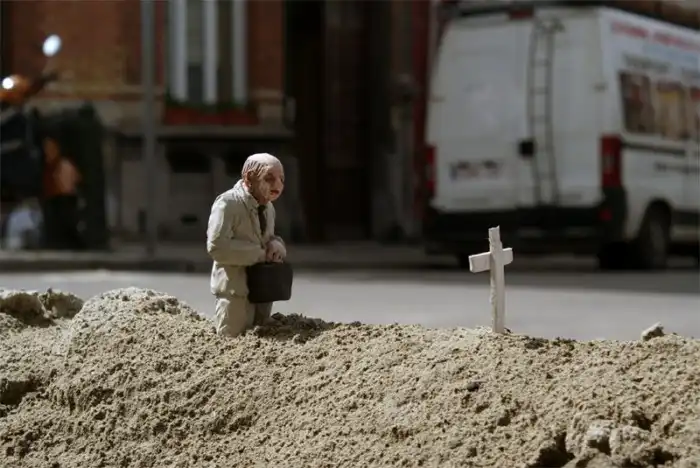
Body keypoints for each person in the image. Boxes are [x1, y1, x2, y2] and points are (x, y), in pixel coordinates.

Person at [206, 153, 287, 337]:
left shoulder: (268, 207)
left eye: (281, 179)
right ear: (249, 178)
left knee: (262, 337)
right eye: (269, 178)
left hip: (262, 288)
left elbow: (266, 237)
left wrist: (276, 244)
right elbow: (217, 247)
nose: (277, 185)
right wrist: (259, 254)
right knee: (232, 338)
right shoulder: (228, 204)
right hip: (236, 291)